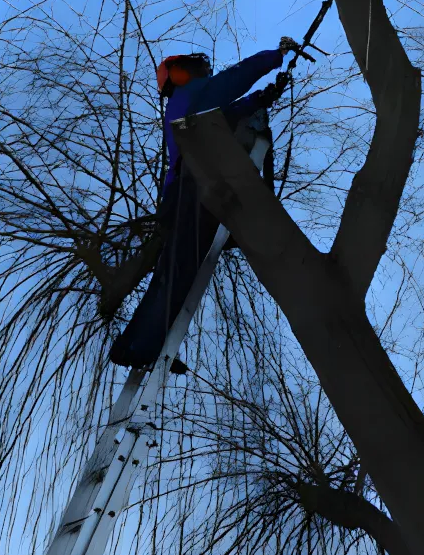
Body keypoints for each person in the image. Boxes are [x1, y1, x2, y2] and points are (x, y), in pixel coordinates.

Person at [107, 38, 301, 369]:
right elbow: (235, 78)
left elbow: (228, 113)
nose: (204, 70)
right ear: (179, 74)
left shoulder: (190, 106)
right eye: (196, 67)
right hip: (191, 189)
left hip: (184, 195)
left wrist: (263, 96)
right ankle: (138, 347)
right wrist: (276, 56)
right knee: (177, 274)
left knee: (176, 275)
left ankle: (140, 344)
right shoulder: (190, 94)